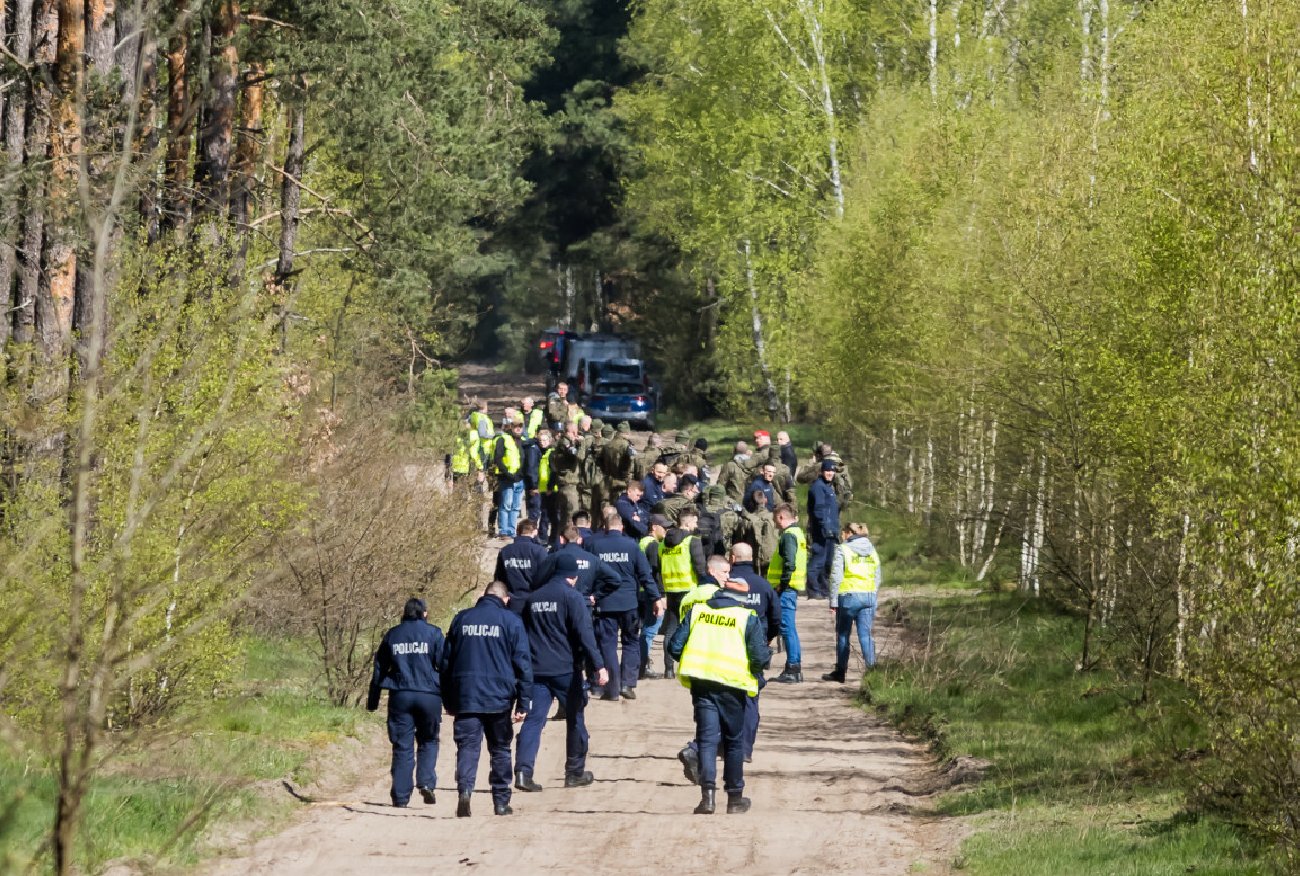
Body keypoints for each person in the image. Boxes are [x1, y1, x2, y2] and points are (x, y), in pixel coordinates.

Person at [667, 575, 771, 815]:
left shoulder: (698, 612)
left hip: (702, 685)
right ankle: (734, 799)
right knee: (734, 741)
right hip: (733, 687)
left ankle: (707, 799)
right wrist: (756, 669)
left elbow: (674, 647)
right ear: (741, 598)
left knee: (706, 739)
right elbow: (759, 658)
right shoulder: (746, 617)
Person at [514, 554, 609, 792]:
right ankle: (574, 772)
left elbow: (523, 634)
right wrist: (599, 665)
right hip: (566, 670)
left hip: (536, 671)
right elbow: (585, 634)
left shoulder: (533, 598)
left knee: (534, 721)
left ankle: (523, 773)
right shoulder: (572, 598)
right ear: (573, 576)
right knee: (576, 718)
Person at [442, 581, 532, 817]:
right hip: (499, 698)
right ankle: (501, 802)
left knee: (468, 748)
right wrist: (524, 702)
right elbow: (523, 664)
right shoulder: (511, 621)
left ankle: (465, 791)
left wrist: (448, 699)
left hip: (466, 696)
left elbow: (445, 663)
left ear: (483, 596)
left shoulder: (461, 619)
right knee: (500, 749)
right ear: (505, 599)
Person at [367, 598, 447, 808]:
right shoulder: (434, 633)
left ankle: (401, 797)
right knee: (429, 740)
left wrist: (373, 701)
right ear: (425, 613)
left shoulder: (393, 635)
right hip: (429, 695)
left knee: (403, 746)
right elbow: (445, 666)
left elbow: (379, 669)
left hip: (400, 695)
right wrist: (450, 699)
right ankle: (426, 782)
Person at [588, 508, 662, 700]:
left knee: (608, 644)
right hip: (629, 602)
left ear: (605, 528)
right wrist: (656, 598)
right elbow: (645, 575)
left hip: (604, 603)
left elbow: (588, 574)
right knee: (630, 642)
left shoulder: (595, 546)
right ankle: (627, 684)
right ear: (621, 527)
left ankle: (612, 689)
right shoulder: (632, 545)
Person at [824, 522, 882, 682]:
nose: (841, 536)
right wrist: (872, 593)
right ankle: (872, 672)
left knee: (843, 635)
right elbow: (878, 575)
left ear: (849, 533)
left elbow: (836, 577)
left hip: (848, 598)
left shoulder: (843, 549)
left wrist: (833, 601)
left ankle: (840, 672)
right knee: (866, 635)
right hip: (869, 597)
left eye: (843, 533)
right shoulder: (872, 550)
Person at [659, 507, 708, 679]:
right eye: (695, 521)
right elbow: (700, 567)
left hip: (671, 591)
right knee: (693, 628)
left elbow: (658, 569)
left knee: (671, 628)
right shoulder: (692, 541)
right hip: (689, 591)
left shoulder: (663, 544)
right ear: (687, 522)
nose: (696, 525)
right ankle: (690, 666)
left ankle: (668, 668)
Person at [768, 503, 808, 683]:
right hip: (791, 588)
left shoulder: (789, 536)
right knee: (789, 628)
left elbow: (789, 564)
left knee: (786, 628)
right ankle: (794, 667)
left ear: (781, 517)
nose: (775, 524)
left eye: (775, 519)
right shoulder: (798, 534)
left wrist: (781, 585)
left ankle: (792, 667)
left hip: (786, 589)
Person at [638, 514, 670, 678]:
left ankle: (640, 664)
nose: (667, 530)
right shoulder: (652, 546)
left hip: (643, 592)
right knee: (650, 631)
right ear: (654, 527)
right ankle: (642, 666)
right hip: (651, 593)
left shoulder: (643, 542)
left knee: (646, 629)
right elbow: (655, 573)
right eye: (664, 527)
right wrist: (661, 595)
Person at [494, 519, 549, 612]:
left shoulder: (505, 551)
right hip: (535, 603)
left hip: (512, 602)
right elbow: (546, 578)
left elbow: (499, 578)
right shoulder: (539, 551)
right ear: (535, 532)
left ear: (517, 532)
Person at [806, 458, 842, 600]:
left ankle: (824, 589)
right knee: (818, 561)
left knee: (828, 562)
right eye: (827, 471)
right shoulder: (818, 487)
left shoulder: (828, 487)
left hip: (831, 531)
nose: (830, 473)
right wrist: (824, 526)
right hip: (821, 532)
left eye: (832, 471)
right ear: (822, 471)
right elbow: (819, 509)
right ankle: (813, 589)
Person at [492, 417, 526, 538]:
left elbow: (524, 460)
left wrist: (520, 474)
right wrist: (507, 473)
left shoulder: (522, 441)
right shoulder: (503, 439)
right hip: (506, 478)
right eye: (516, 426)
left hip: (519, 479)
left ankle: (512, 531)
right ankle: (504, 531)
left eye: (520, 426)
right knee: (506, 505)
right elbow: (498, 458)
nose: (518, 428)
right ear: (510, 427)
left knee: (516, 507)